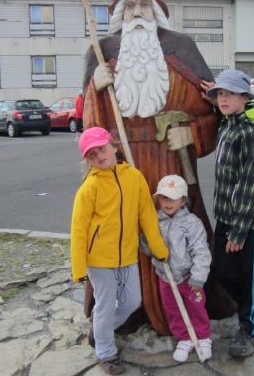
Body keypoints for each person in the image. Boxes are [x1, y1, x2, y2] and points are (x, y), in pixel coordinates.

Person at [81, 0, 232, 334]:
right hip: (122, 164)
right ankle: (128, 311)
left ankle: (178, 310)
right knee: (122, 230)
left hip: (169, 163)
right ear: (119, 12)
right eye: (129, 6)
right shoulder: (100, 52)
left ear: (157, 10)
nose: (137, 13)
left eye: (144, 6)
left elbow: (213, 109)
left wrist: (192, 133)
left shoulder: (181, 47)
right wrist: (96, 87)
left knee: (176, 231)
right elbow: (90, 126)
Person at [71, 127, 169, 375]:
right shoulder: (90, 187)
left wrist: (159, 249)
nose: (99, 156)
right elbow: (79, 229)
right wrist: (79, 267)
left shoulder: (134, 177)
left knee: (132, 302)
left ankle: (99, 328)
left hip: (127, 255)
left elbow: (147, 216)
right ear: (88, 160)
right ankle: (106, 352)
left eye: (101, 149)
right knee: (104, 305)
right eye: (92, 154)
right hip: (98, 260)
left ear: (114, 146)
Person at [203, 69, 254, 358]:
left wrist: (239, 230)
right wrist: (216, 100)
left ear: (245, 97)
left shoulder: (253, 134)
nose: (223, 99)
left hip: (249, 221)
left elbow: (251, 185)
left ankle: (250, 332)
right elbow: (225, 109)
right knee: (224, 272)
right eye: (220, 94)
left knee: (251, 277)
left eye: (230, 94)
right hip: (226, 216)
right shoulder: (229, 124)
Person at [140, 175, 213, 362]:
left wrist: (198, 277)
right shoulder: (154, 221)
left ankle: (203, 337)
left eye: (173, 198)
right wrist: (145, 240)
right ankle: (184, 338)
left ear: (183, 200)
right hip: (166, 276)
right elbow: (149, 250)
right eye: (164, 197)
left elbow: (201, 251)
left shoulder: (192, 223)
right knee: (172, 309)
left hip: (189, 278)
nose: (168, 202)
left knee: (196, 307)